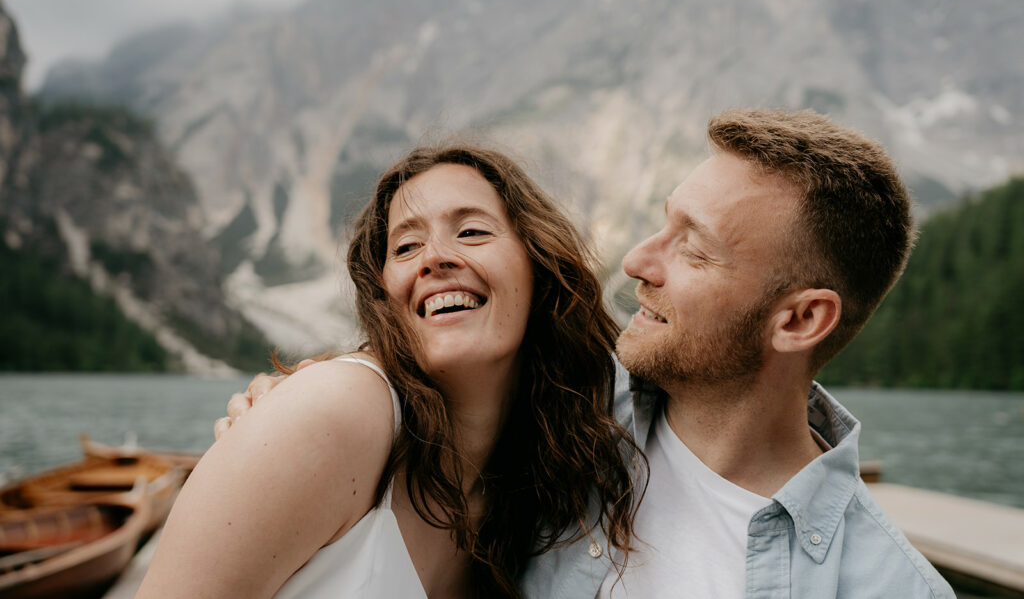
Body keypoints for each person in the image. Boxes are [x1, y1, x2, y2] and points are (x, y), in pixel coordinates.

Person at [225, 109, 956, 598]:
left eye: (691, 248)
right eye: (661, 224)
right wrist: (277, 419)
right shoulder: (558, 407)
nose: (639, 259)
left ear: (799, 319)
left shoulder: (889, 587)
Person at [137, 145, 642, 599]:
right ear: (385, 298)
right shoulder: (337, 410)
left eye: (471, 232)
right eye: (405, 247)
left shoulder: (537, 477)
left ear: (538, 266)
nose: (435, 259)